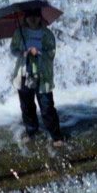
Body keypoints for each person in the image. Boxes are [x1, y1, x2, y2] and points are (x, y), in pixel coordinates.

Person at [12, 10, 64, 145]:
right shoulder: (19, 33)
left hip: (42, 76)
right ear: (26, 18)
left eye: (36, 16)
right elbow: (13, 50)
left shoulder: (47, 34)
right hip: (24, 74)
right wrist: (23, 53)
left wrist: (38, 52)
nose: (33, 19)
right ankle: (31, 133)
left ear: (40, 18)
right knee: (27, 106)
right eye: (30, 16)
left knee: (47, 107)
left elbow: (51, 53)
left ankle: (56, 137)